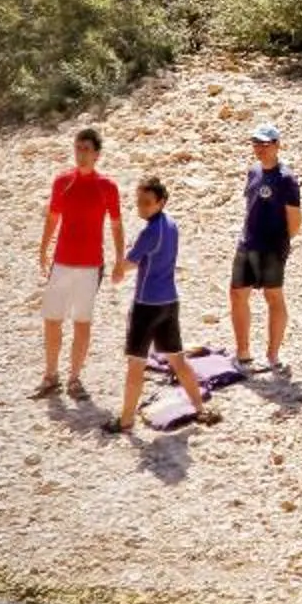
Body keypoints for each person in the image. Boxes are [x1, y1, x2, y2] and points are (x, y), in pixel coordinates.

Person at [109, 176, 216, 436]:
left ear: (160, 201)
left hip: (146, 304)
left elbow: (129, 264)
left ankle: (125, 421)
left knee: (136, 364)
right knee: (177, 360)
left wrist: (117, 265)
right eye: (139, 203)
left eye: (147, 203)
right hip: (169, 300)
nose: (142, 207)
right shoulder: (171, 225)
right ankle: (200, 409)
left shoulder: (149, 232)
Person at [37, 128, 123, 399]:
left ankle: (75, 378)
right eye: (77, 148)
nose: (81, 153)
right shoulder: (62, 182)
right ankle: (51, 376)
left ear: (97, 154)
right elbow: (53, 217)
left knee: (81, 322)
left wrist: (120, 259)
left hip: (89, 264)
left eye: (86, 149)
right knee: (52, 320)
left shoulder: (107, 187)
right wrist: (43, 248)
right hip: (62, 260)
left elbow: (116, 225)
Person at [229, 121, 301, 374]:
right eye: (255, 143)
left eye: (264, 144)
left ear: (277, 145)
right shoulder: (254, 171)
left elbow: (295, 219)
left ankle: (273, 354)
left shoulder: (286, 179)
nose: (259, 148)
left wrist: (281, 244)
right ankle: (243, 353)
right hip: (247, 243)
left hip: (271, 247)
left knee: (273, 297)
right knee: (237, 294)